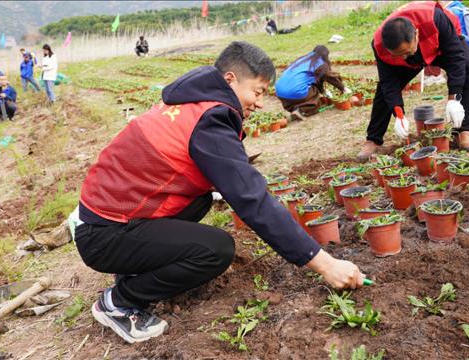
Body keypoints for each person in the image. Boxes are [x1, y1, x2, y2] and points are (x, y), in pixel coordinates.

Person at [75, 41, 365, 344]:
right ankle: (119, 302)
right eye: (258, 91)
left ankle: (134, 268)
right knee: (215, 251)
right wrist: (325, 264)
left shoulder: (193, 102)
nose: (261, 103)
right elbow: (253, 201)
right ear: (230, 80)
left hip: (106, 219)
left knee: (200, 199)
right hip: (103, 235)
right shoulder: (209, 120)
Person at [357, 1, 469, 161]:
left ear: (416, 34)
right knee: (383, 91)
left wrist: (454, 98)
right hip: (412, 54)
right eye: (398, 54)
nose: (405, 56)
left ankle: (463, 131)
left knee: (467, 67)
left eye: (406, 51)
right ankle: (373, 139)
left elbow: (456, 58)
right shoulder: (380, 45)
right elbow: (389, 82)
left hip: (439, 43)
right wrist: (398, 113)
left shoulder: (435, 18)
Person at [275, 45, 349, 120]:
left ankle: (293, 110)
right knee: (314, 96)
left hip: (279, 92)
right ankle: (300, 111)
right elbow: (329, 76)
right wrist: (343, 88)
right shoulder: (320, 63)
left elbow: (317, 80)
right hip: (294, 90)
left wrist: (323, 91)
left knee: (306, 89)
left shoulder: (303, 59)